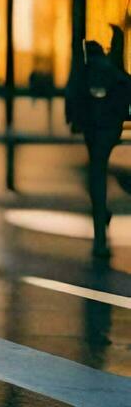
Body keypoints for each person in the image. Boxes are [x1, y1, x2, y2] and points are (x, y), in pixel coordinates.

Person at [65, 38, 131, 260]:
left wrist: (74, 120)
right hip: (108, 129)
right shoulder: (110, 70)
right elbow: (125, 86)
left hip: (93, 130)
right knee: (98, 170)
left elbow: (72, 94)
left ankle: (100, 223)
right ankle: (101, 215)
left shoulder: (84, 71)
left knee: (96, 172)